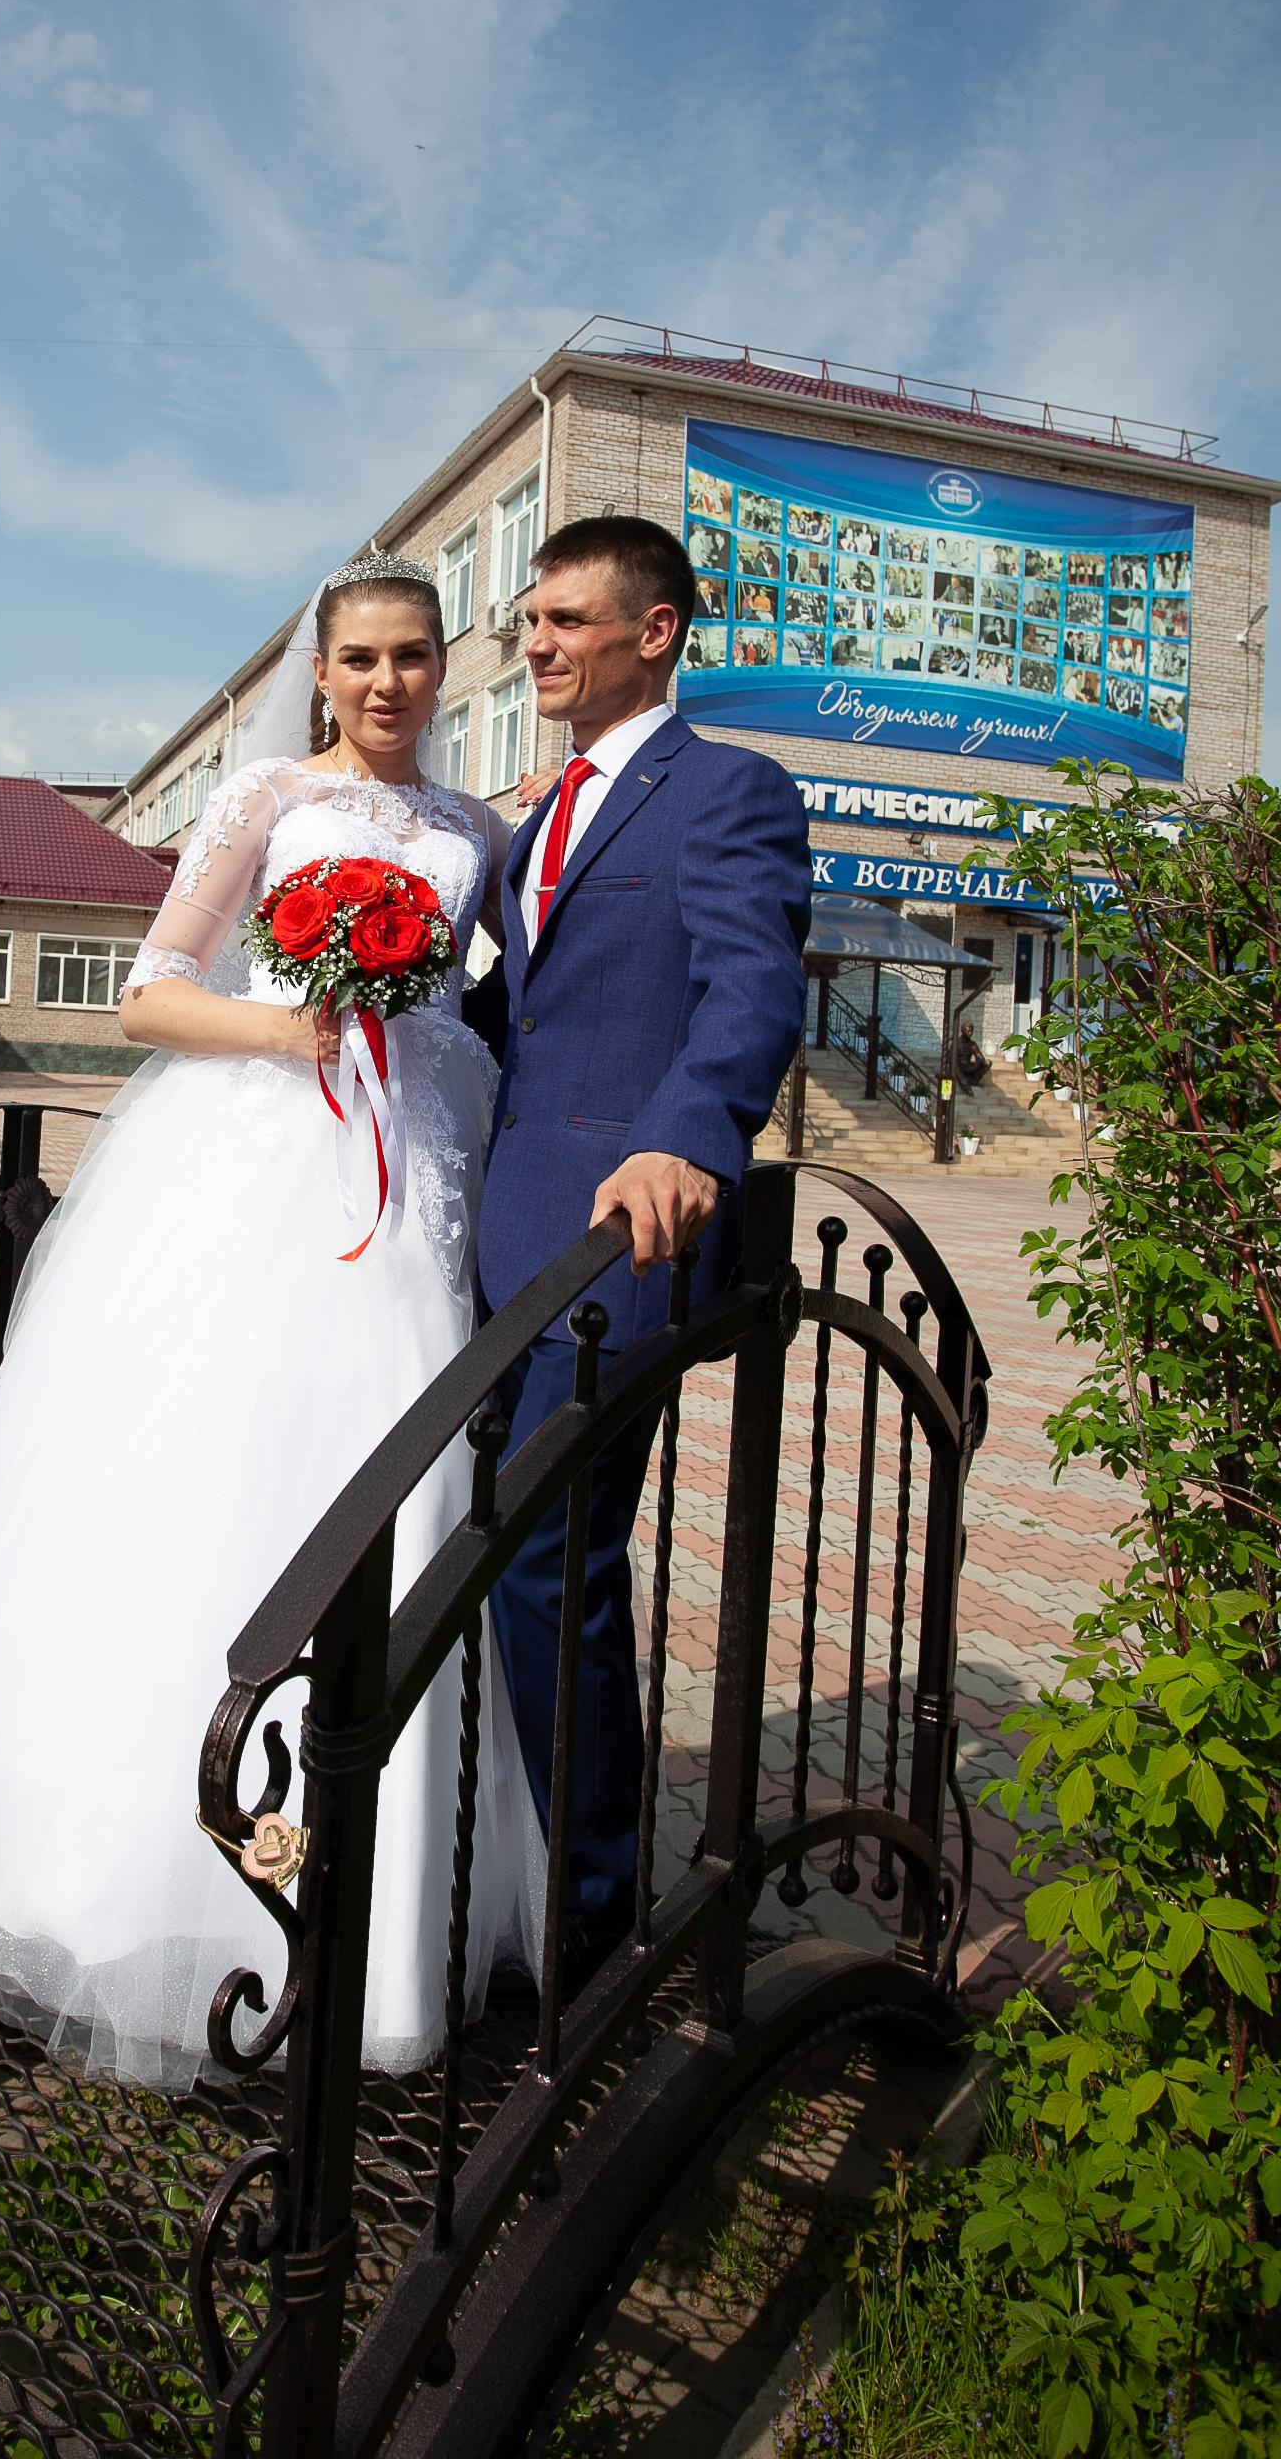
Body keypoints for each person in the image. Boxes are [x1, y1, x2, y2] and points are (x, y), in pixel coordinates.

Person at [0, 555, 541, 2090]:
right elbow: (152, 993)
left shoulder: (480, 832)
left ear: (444, 663)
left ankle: (371, 1930)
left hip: (414, 1181)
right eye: (361, 657)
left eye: (414, 656)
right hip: (265, 1170)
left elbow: (484, 1006)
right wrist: (294, 1028)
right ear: (324, 671)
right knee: (207, 1479)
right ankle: (126, 1886)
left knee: (398, 1489)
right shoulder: (267, 800)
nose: (388, 683)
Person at [466, 515, 811, 1982]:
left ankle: (594, 1915)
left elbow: (751, 987)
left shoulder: (727, 790)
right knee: (483, 1558)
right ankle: (493, 1877)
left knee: (550, 1563)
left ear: (654, 631)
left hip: (617, 1247)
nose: (532, 644)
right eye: (530, 621)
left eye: (562, 620)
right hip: (495, 1236)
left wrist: (692, 1135)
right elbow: (521, 1013)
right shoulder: (535, 815)